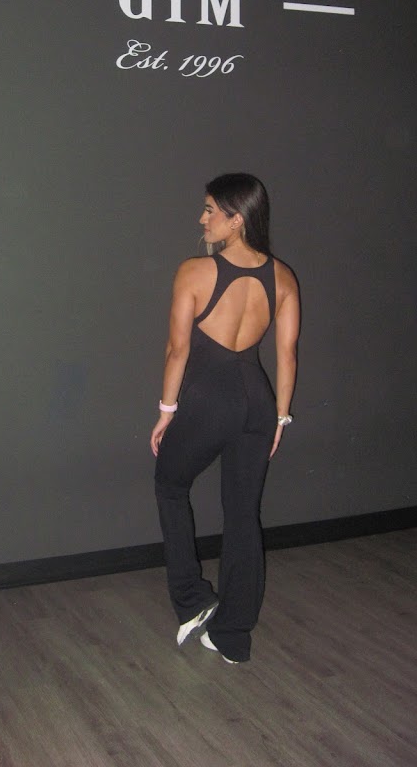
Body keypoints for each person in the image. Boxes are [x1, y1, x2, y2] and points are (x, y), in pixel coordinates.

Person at [151, 173, 300, 664]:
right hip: (257, 401)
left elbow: (177, 350)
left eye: (211, 209)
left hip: (210, 399)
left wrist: (167, 411)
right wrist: (280, 418)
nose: (202, 218)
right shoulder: (283, 277)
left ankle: (193, 600)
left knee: (170, 486)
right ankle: (232, 636)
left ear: (237, 220)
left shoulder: (195, 271)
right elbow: (287, 355)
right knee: (242, 514)